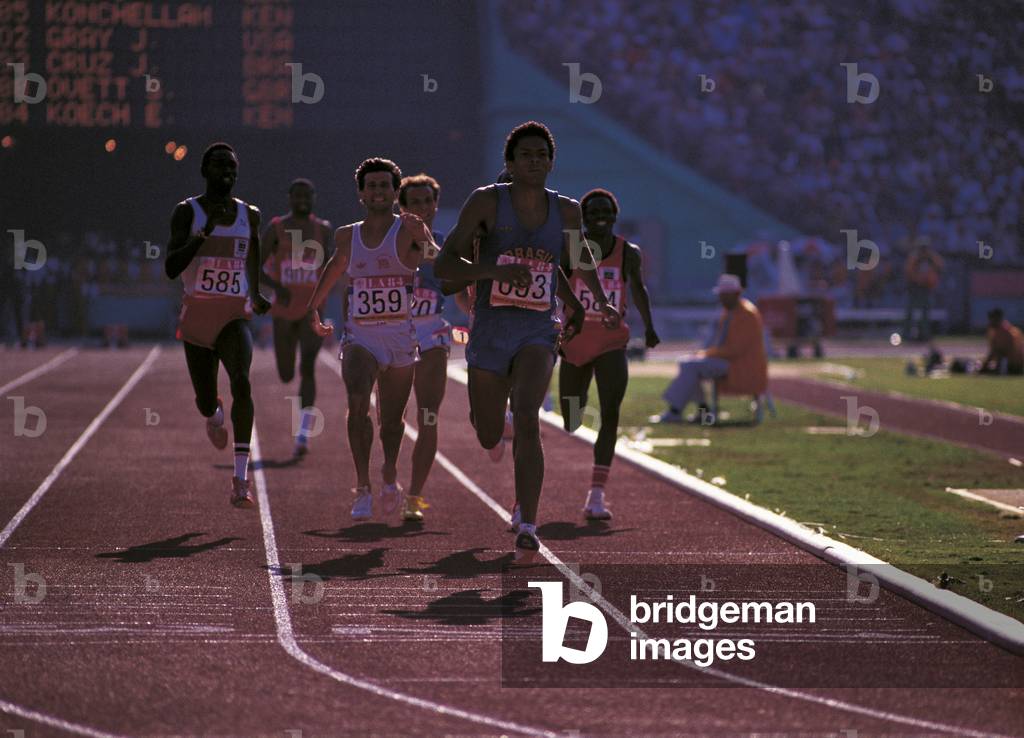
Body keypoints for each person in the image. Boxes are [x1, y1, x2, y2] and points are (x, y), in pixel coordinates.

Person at [434, 121, 619, 563]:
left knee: (528, 415)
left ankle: (529, 524)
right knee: (487, 433)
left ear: (552, 162)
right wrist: (493, 272)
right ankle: (496, 430)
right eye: (525, 155)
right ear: (510, 163)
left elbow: (577, 259)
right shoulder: (486, 201)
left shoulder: (567, 211)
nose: (534, 161)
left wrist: (598, 301)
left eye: (541, 155)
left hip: (538, 328)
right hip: (490, 330)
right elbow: (444, 266)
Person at [307, 158, 434, 521]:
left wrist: (424, 236)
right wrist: (314, 307)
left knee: (391, 424)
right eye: (371, 186)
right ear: (361, 193)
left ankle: (389, 473)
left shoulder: (408, 229)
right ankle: (362, 486)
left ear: (395, 193)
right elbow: (335, 267)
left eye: (384, 186)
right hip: (360, 335)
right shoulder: (347, 235)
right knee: (358, 399)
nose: (378, 191)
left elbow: (436, 263)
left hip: (399, 338)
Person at [164, 142, 272, 508]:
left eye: (232, 165)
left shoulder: (249, 214)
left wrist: (255, 293)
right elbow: (171, 267)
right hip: (197, 316)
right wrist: (203, 235)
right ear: (204, 170)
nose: (227, 170)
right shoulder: (187, 212)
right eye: (219, 164)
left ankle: (240, 479)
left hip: (232, 314)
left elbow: (253, 250)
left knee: (242, 381)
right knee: (205, 401)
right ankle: (214, 414)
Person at [559, 188, 659, 520]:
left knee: (611, 412)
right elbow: (556, 282)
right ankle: (578, 403)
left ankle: (597, 494)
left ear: (615, 215)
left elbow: (638, 289)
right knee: (572, 419)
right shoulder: (572, 248)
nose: (600, 216)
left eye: (606, 211)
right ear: (584, 218)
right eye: (594, 212)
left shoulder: (628, 252)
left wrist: (649, 327)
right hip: (575, 340)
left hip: (611, 340)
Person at [260, 178, 332, 459]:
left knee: (308, 367)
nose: (302, 200)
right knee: (286, 373)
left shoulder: (323, 229)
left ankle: (303, 434)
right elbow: (255, 265)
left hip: (312, 309)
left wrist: (324, 297)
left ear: (314, 198)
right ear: (289, 198)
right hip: (284, 309)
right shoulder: (276, 228)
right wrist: (276, 288)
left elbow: (332, 267)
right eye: (297, 195)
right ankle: (301, 430)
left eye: (307, 195)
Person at [398, 173, 454, 521]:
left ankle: (414, 496)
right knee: (390, 420)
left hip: (432, 332)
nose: (422, 207)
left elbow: (458, 285)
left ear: (435, 205)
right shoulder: (386, 241)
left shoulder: (447, 244)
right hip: (391, 334)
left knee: (428, 417)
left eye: (427, 201)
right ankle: (386, 479)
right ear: (402, 207)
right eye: (414, 202)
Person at [655, 274, 766, 423]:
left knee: (690, 366)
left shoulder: (747, 314)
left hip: (741, 365)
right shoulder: (730, 312)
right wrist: (705, 354)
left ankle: (677, 410)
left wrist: (706, 354)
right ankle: (700, 411)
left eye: (725, 295)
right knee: (689, 365)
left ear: (736, 294)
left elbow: (735, 350)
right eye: (721, 295)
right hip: (731, 362)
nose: (722, 298)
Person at [902, 236, 944, 342]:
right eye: (922, 248)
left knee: (925, 312)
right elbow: (909, 272)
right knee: (910, 311)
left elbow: (940, 266)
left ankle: (924, 334)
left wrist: (928, 280)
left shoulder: (931, 257)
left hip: (925, 288)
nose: (923, 250)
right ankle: (906, 334)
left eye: (925, 248)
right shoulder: (914, 257)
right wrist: (919, 279)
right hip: (914, 288)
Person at [979, 308, 1024, 375]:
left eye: (992, 319)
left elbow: (997, 352)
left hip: (1014, 364)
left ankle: (999, 371)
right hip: (1009, 362)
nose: (990, 321)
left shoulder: (1006, 331)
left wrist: (984, 367)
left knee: (998, 355)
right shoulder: (995, 330)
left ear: (998, 319)